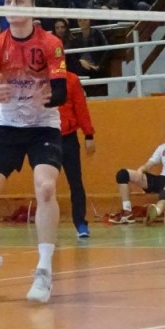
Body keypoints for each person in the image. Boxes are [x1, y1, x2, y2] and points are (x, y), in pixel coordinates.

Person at [0, 0, 67, 303]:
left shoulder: (50, 43)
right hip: (9, 127)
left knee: (46, 188)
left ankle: (44, 270)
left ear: (32, 8)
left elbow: (62, 91)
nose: (12, 4)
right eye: (8, 0)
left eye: (19, 0)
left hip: (43, 127)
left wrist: (49, 96)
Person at [57, 72, 95, 239]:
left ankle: (80, 223)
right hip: (45, 138)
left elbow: (81, 107)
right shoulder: (39, 79)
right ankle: (49, 224)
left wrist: (88, 134)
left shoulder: (71, 80)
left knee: (76, 182)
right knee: (46, 185)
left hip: (69, 138)